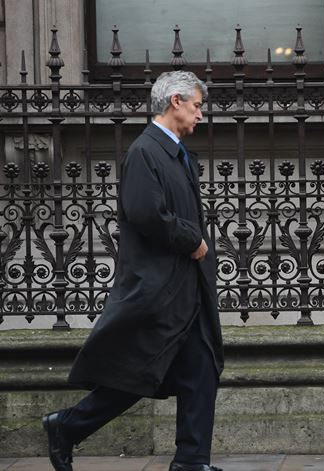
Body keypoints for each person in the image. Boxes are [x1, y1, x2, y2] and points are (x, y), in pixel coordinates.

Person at [42, 71, 223, 471]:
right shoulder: (146, 152)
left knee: (201, 368)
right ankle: (67, 427)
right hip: (160, 289)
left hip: (183, 287)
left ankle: (192, 461)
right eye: (197, 106)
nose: (200, 115)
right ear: (175, 101)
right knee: (137, 375)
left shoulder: (175, 152)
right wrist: (192, 240)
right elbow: (146, 214)